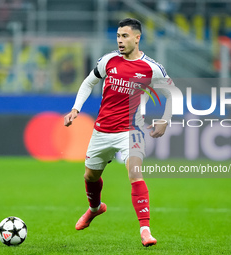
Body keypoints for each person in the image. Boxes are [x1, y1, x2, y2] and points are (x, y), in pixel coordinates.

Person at [64, 18, 176, 247]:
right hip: (102, 130)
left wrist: (165, 120)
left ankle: (145, 230)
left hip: (131, 131)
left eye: (125, 36)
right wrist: (76, 108)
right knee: (90, 176)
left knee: (135, 174)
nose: (120, 40)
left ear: (137, 37)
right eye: (118, 36)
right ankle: (95, 208)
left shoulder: (151, 68)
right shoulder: (109, 60)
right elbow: (88, 83)